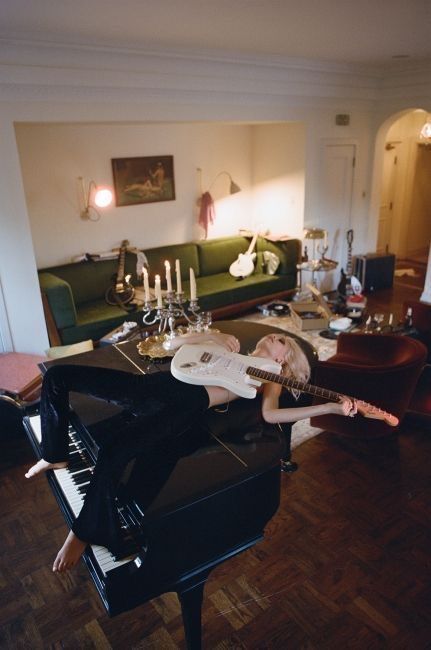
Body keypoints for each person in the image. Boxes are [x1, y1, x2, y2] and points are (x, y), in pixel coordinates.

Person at [25, 329, 357, 573]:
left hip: (183, 406)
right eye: (273, 335)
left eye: (280, 340)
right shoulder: (229, 345)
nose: (272, 336)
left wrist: (326, 408)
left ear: (284, 358)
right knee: (57, 376)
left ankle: (83, 532)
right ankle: (54, 453)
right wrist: (211, 333)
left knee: (114, 450)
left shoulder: (268, 376)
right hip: (153, 387)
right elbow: (170, 345)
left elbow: (272, 414)